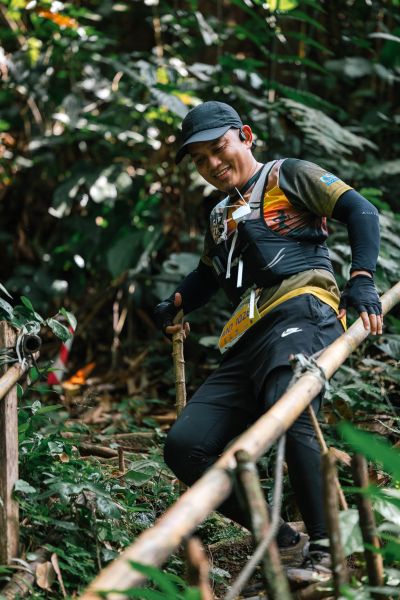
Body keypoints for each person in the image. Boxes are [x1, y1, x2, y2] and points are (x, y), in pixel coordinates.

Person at [154, 101, 382, 569]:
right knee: (184, 445)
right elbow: (207, 275)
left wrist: (361, 277)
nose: (212, 164)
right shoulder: (219, 215)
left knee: (289, 402)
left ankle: (327, 548)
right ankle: (282, 539)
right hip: (249, 336)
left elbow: (361, 211)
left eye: (219, 148)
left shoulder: (286, 175)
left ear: (245, 136)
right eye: (199, 159)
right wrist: (175, 303)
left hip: (304, 309)